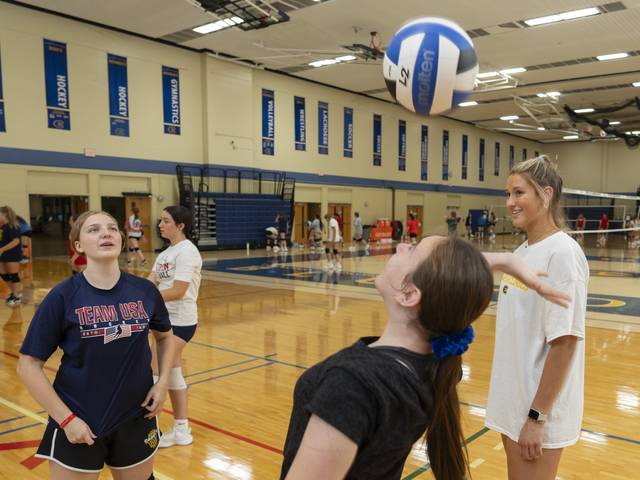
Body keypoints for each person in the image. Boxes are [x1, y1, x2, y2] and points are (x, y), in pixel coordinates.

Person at [280, 235, 570, 480]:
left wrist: (504, 261)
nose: (403, 245)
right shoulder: (435, 363)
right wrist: (505, 259)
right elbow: (450, 279)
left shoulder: (353, 385)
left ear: (409, 294)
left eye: (414, 249)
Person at [17, 210, 175, 480]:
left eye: (112, 228)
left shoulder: (145, 291)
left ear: (121, 239)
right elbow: (28, 365)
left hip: (136, 417)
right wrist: (66, 420)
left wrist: (161, 383)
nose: (106, 233)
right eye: (93, 229)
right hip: (79, 419)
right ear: (78, 245)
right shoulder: (63, 296)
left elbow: (165, 336)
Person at [486, 156, 589, 480]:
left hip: (535, 411)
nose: (510, 203)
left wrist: (536, 417)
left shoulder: (563, 253)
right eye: (508, 194)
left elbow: (565, 344)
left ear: (545, 195)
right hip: (514, 403)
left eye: (519, 193)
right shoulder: (520, 254)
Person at [149, 206, 203, 448]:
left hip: (180, 322)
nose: (160, 224)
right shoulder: (165, 254)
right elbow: (150, 283)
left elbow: (179, 291)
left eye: (166, 221)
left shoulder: (188, 252)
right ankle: (182, 429)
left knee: (155, 369)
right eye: (161, 220)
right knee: (172, 373)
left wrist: (148, 298)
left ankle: (150, 430)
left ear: (180, 225)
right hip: (163, 321)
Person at [0, 206, 23, 307]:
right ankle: (14, 292)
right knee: (3, 275)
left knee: (13, 275)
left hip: (12, 254)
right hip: (3, 254)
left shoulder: (12, 226)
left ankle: (16, 296)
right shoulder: (1, 227)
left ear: (5, 214)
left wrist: (2, 249)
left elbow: (16, 241)